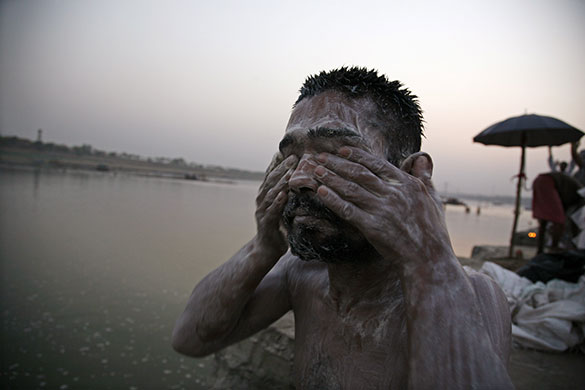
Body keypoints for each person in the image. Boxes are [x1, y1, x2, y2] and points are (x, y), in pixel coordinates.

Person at [172, 67, 513, 389]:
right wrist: (263, 246)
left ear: (410, 175)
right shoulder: (302, 275)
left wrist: (427, 258)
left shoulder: (472, 296)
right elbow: (191, 339)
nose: (300, 178)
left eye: (335, 154)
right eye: (291, 158)